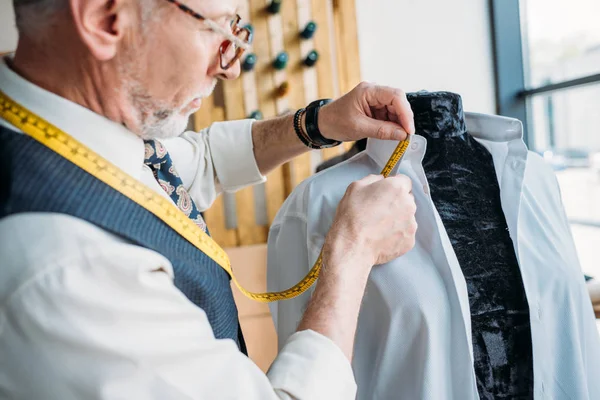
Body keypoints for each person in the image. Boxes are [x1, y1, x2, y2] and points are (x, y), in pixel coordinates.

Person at [0, 0, 418, 398]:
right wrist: (352, 251)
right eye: (215, 28)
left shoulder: (57, 121)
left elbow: (195, 163)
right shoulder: (73, 270)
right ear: (103, 18)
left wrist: (316, 123)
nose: (231, 67)